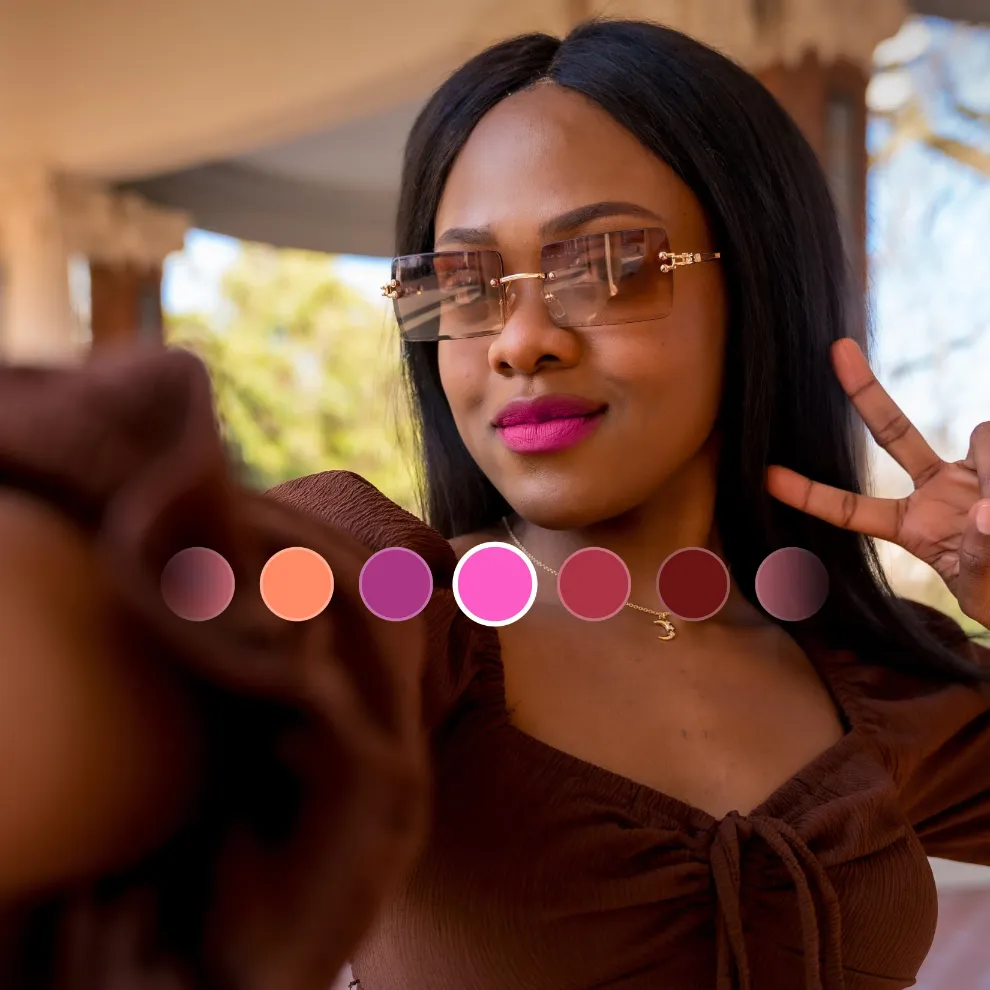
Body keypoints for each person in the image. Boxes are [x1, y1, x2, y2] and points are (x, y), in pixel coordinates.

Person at [0, 17, 988, 990]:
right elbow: (104, 640)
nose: (521, 340)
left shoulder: (876, 682)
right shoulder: (394, 608)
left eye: (604, 263)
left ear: (759, 283)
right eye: (464, 283)